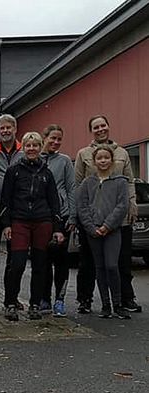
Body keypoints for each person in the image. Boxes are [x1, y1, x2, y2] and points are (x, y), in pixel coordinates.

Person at [74, 115, 140, 314]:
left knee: (121, 261)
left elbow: (129, 181)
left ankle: (125, 298)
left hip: (118, 218)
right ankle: (86, 299)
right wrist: (85, 220)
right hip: (92, 219)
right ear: (91, 131)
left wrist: (132, 204)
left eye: (103, 125)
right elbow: (78, 186)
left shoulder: (122, 153)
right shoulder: (83, 153)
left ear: (109, 127)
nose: (100, 129)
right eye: (96, 126)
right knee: (89, 262)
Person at [0, 132, 64, 322]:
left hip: (42, 221)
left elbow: (54, 202)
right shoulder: (14, 171)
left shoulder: (47, 173)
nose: (32, 149)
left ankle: (35, 304)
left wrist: (57, 227)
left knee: (40, 265)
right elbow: (6, 200)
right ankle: (10, 303)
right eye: (28, 146)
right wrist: (6, 224)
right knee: (17, 264)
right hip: (19, 221)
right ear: (24, 148)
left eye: (35, 145)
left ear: (40, 147)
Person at [76, 144, 130, 319]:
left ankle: (118, 303)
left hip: (112, 230)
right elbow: (82, 206)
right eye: (99, 158)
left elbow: (122, 205)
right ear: (94, 161)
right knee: (99, 267)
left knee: (112, 265)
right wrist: (91, 227)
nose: (103, 161)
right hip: (93, 231)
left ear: (112, 160)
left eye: (106, 157)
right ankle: (105, 304)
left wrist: (107, 225)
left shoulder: (120, 181)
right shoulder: (87, 182)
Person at [40, 125, 76, 317]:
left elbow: (71, 188)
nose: (55, 142)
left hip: (61, 216)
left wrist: (72, 215)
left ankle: (59, 300)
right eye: (52, 138)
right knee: (43, 260)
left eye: (59, 139)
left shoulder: (64, 161)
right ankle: (44, 298)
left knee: (61, 260)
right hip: (40, 217)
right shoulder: (34, 159)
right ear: (44, 137)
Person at [0, 114, 23, 306]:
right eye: (1, 128)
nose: (5, 131)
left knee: (15, 257)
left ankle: (12, 297)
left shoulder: (23, 151)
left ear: (15, 129)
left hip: (17, 208)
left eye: (8, 127)